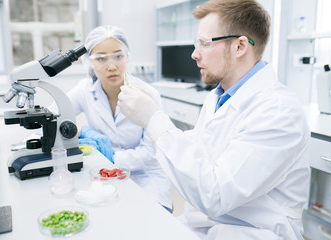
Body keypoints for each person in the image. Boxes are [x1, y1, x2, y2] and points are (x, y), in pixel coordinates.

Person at [118, 0, 310, 239]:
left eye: (204, 44)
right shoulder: (219, 96)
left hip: (254, 232)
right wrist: (155, 121)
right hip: (205, 223)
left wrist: (155, 121)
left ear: (240, 46)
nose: (194, 54)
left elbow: (216, 194)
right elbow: (204, 146)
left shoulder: (279, 111)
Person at [52, 25, 172, 212]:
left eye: (118, 56)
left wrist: (112, 157)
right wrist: (79, 132)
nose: (112, 66)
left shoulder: (148, 94)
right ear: (89, 62)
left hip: (145, 175)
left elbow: (151, 153)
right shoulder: (84, 90)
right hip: (102, 172)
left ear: (128, 56)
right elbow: (52, 116)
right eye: (101, 58)